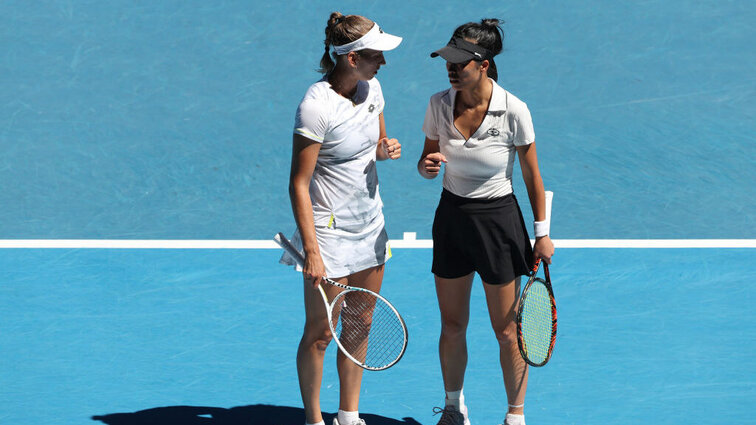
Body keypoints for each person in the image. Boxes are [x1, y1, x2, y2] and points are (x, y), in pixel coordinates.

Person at [417, 19, 554, 425]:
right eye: (448, 60)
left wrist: (542, 235)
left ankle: (515, 415)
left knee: (507, 331)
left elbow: (532, 175)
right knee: (453, 324)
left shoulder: (514, 109)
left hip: (498, 223)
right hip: (452, 220)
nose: (451, 68)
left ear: (485, 64)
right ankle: (454, 407)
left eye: (461, 62)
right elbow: (427, 163)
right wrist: (427, 167)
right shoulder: (438, 104)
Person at [279, 12, 402, 425]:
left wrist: (386, 150)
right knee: (320, 335)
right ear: (351, 58)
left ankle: (349, 416)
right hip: (328, 235)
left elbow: (375, 147)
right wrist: (311, 252)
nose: (382, 62)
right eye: (375, 56)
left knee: (360, 323)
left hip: (370, 226)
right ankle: (314, 420)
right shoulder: (315, 107)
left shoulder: (374, 89)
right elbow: (299, 183)